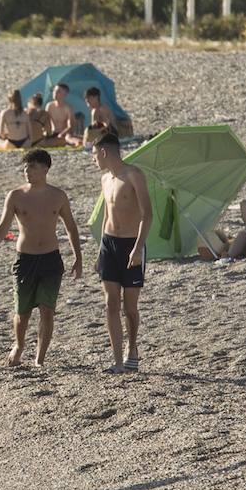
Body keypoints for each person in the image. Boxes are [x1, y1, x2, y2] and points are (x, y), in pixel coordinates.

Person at [0, 149, 83, 368]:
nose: (27, 171)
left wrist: (78, 258)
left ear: (45, 168)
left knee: (47, 310)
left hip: (51, 260)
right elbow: (4, 225)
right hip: (25, 259)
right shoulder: (16, 195)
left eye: (32, 167)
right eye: (25, 167)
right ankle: (19, 345)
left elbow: (71, 227)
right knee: (22, 312)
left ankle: (40, 358)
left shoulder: (58, 196)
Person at [94, 133, 152, 373]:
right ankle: (117, 361)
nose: (94, 159)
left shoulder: (134, 174)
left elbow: (147, 214)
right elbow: (107, 214)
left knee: (130, 307)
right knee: (110, 303)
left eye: (94, 154)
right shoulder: (105, 179)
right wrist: (100, 249)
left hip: (131, 244)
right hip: (109, 243)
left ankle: (132, 348)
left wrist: (138, 249)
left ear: (104, 152)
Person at [43, 83, 76, 147]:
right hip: (52, 133)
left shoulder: (68, 108)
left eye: (58, 91)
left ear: (65, 94)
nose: (55, 93)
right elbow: (45, 121)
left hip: (64, 134)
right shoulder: (49, 106)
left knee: (68, 138)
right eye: (54, 91)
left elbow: (70, 126)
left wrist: (61, 134)